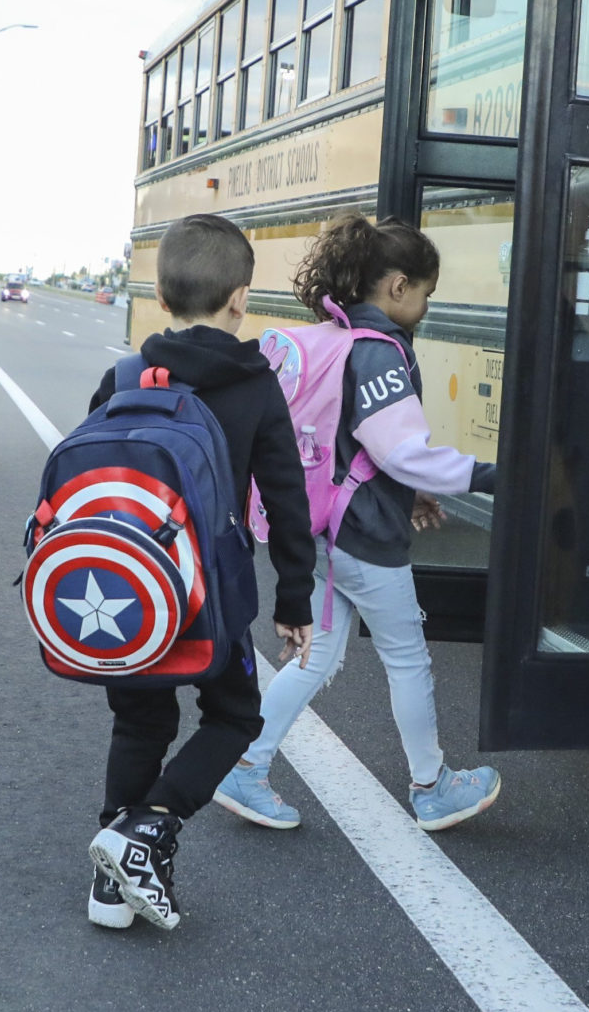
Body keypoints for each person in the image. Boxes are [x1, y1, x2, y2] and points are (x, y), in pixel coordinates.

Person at [214, 214, 504, 832]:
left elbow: (357, 447)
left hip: (319, 530)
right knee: (407, 659)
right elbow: (399, 450)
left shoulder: (334, 337)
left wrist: (412, 493)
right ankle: (433, 787)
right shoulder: (380, 355)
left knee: (315, 659)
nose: (427, 306)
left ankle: (245, 765)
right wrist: (491, 476)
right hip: (364, 541)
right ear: (397, 286)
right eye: (426, 292)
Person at [80, 213, 314, 931]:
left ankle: (110, 888)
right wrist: (295, 599)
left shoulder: (123, 375)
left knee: (140, 718)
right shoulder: (256, 386)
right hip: (210, 597)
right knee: (237, 714)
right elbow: (286, 499)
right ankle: (147, 827)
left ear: (158, 292)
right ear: (241, 298)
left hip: (128, 594)